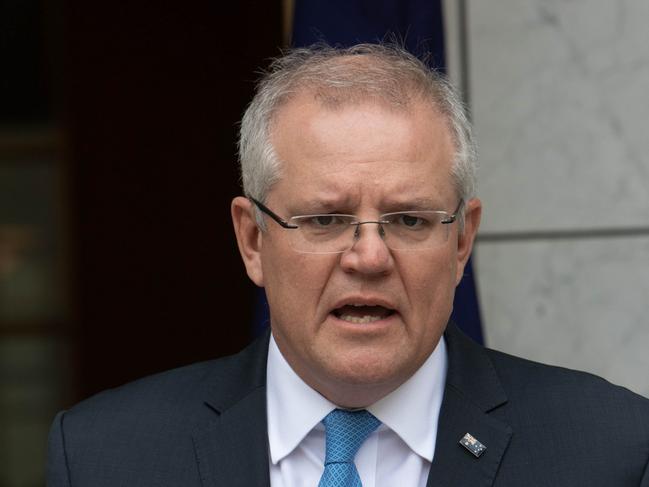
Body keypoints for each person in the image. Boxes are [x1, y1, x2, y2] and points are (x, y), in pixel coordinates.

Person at [47, 43, 649, 487]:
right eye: (324, 220)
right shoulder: (106, 458)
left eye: (410, 220)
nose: (369, 257)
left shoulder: (611, 449)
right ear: (253, 240)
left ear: (462, 241)